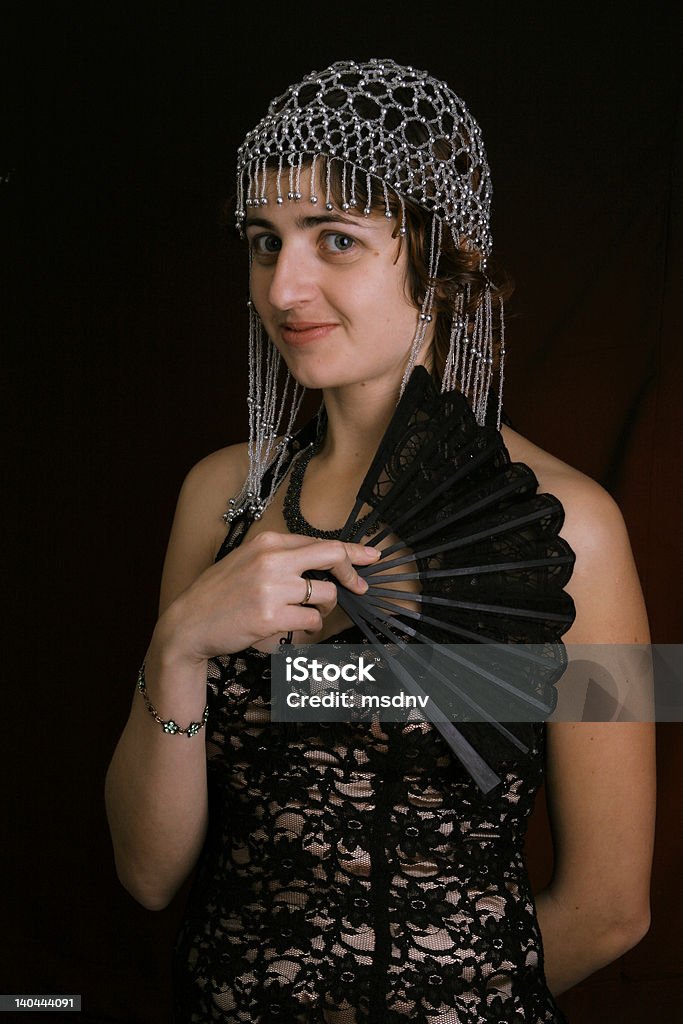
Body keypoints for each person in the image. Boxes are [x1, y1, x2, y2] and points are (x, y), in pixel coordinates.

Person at [105, 59, 655, 1023]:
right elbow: (148, 877)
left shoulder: (577, 531)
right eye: (262, 242)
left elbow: (610, 909)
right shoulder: (217, 499)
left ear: (441, 260)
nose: (285, 287)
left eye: (336, 240)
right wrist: (179, 645)